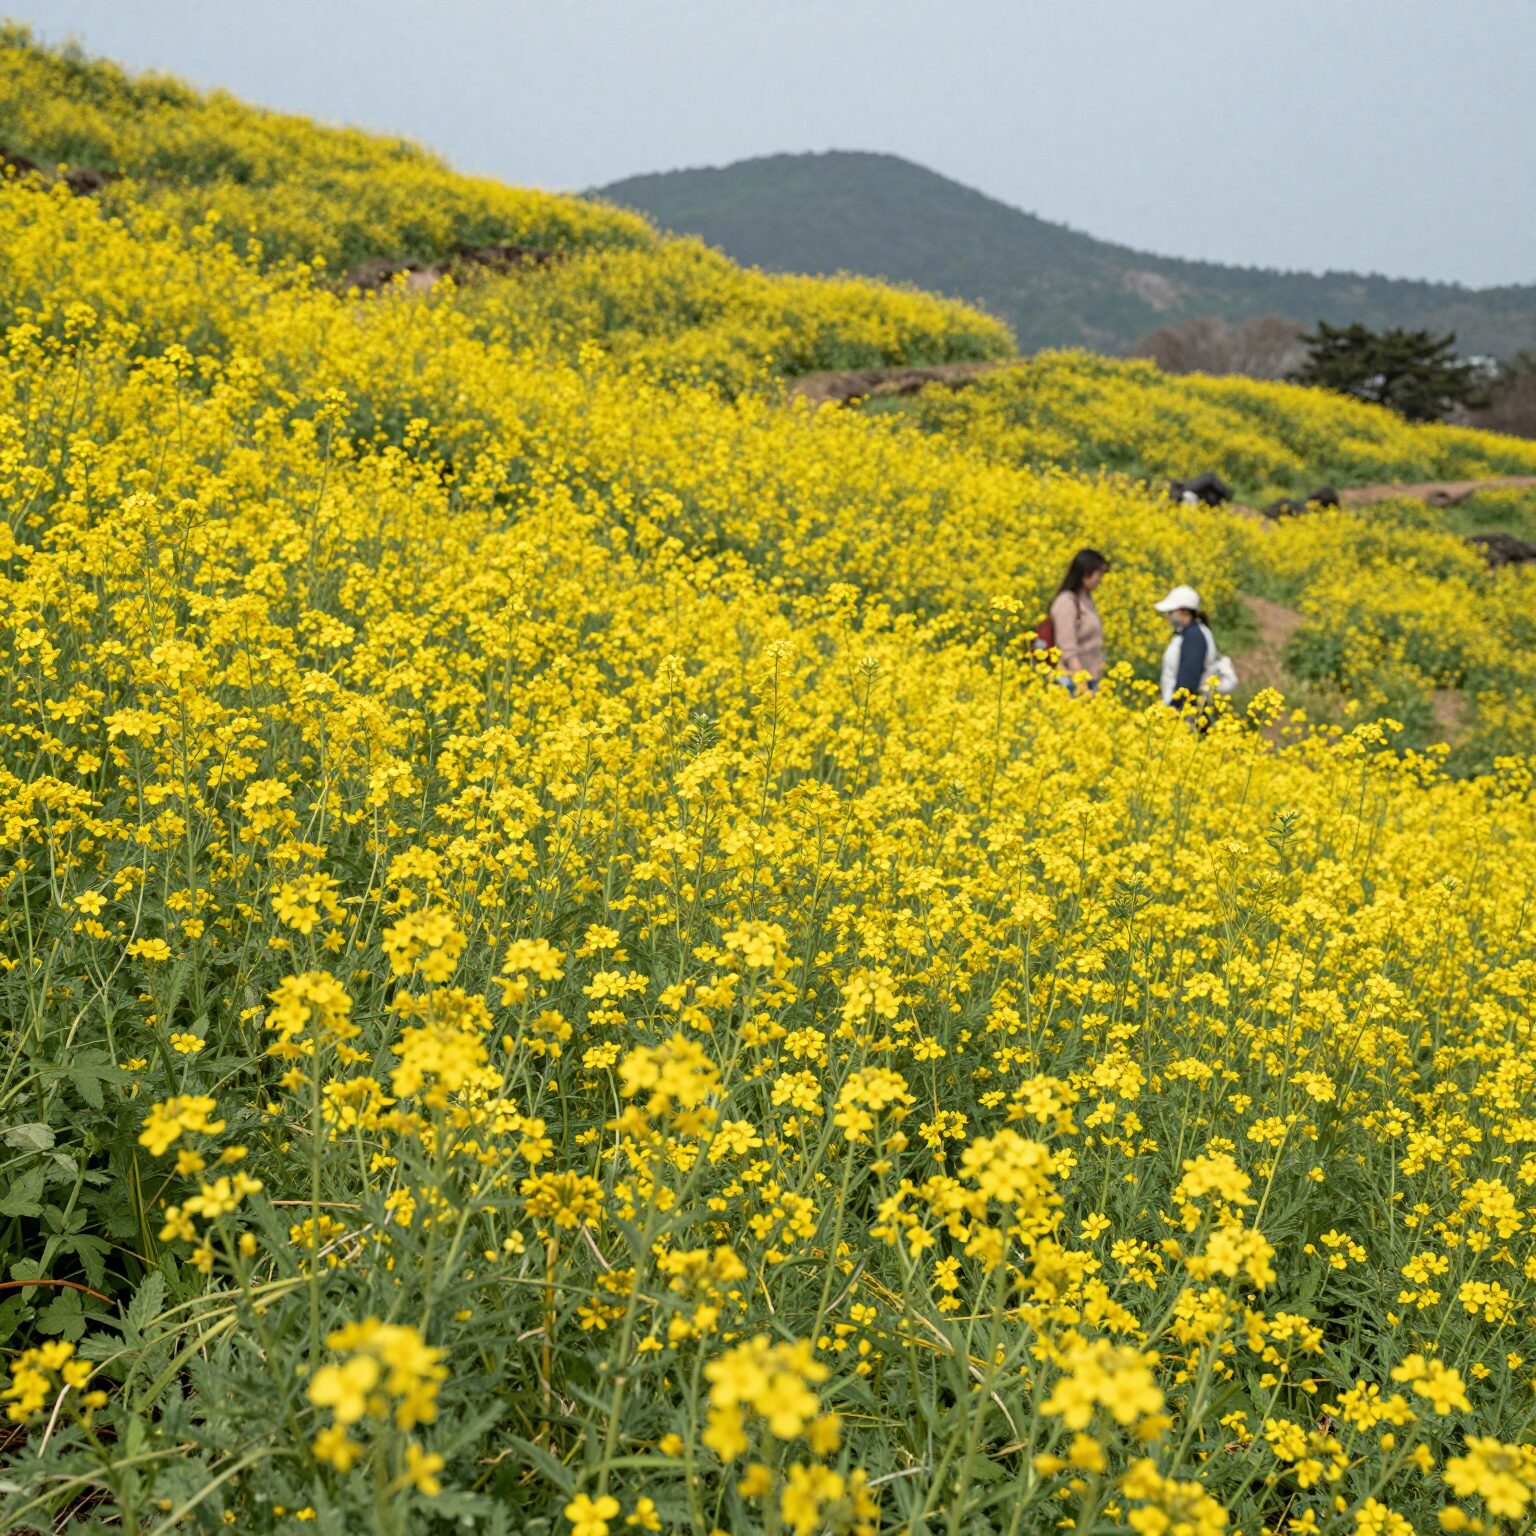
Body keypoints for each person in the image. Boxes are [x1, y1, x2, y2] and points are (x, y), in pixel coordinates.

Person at [1048, 548, 1108, 691]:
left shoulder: (1085, 599)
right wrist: (1081, 683)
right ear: (1086, 573)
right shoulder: (1066, 602)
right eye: (1099, 574)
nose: (1100, 580)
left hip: (1090, 677)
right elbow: (1067, 647)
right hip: (1073, 680)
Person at [1154, 583, 1219, 708]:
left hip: (1186, 711)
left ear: (1183, 612)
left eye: (1170, 611)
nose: (1167, 615)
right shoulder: (1188, 632)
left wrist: (1173, 709)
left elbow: (1188, 681)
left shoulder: (1194, 637)